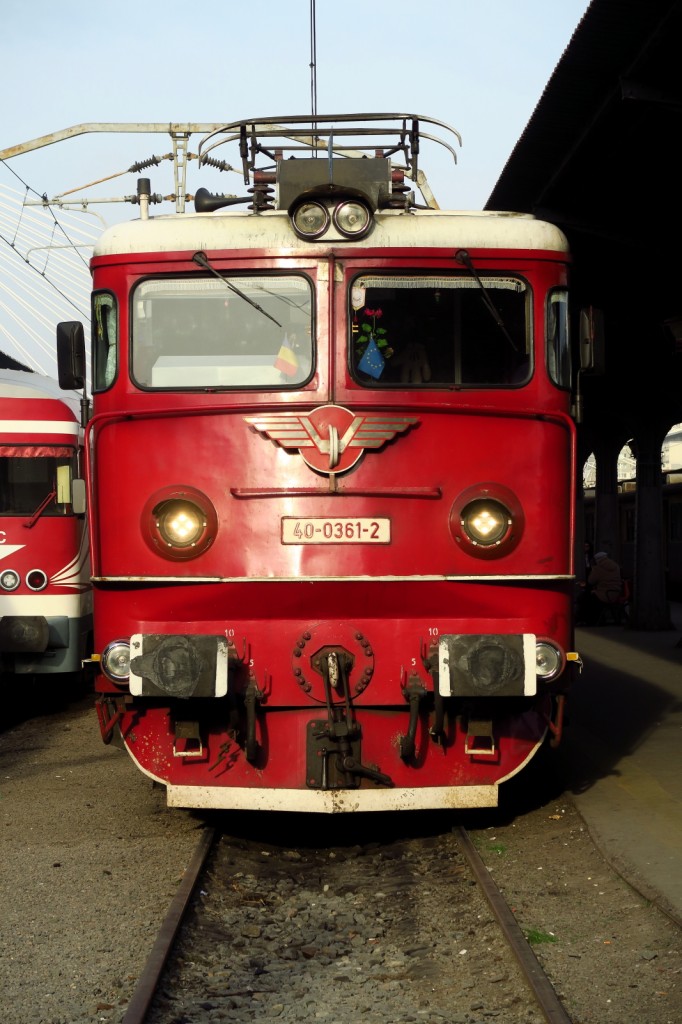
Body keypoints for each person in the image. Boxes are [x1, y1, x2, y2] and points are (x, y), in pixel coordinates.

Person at [577, 550, 623, 624]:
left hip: (604, 594)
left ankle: (586, 619)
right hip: (615, 593)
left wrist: (592, 570)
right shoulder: (615, 566)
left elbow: (591, 581)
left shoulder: (598, 568)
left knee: (584, 598)